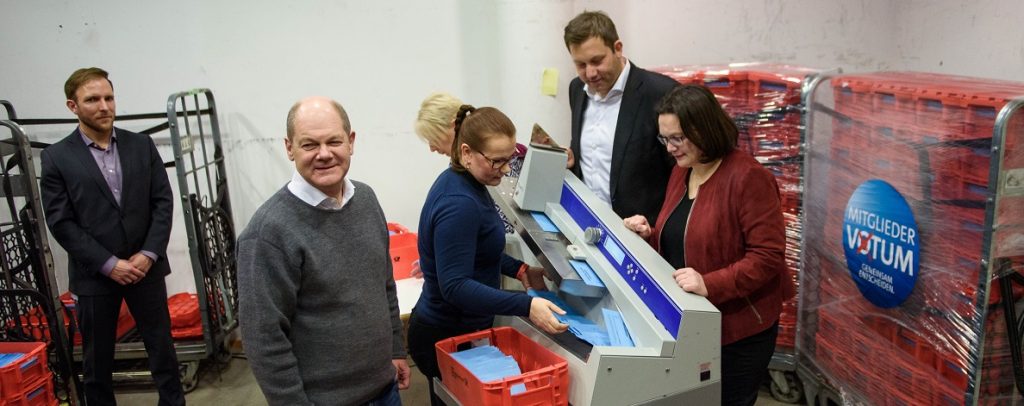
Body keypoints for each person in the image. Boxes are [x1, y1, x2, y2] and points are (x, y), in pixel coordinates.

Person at [623, 85, 793, 406]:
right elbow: (686, 237)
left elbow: (768, 257)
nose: (670, 148)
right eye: (664, 139)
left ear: (704, 129)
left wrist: (709, 283)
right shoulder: (683, 171)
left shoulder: (748, 177)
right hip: (694, 322)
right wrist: (649, 235)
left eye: (677, 138)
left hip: (739, 330)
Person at [237, 96, 409, 405]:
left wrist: (396, 349)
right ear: (289, 148)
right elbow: (264, 337)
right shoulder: (268, 232)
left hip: (386, 389)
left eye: (334, 141)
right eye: (309, 145)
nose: (325, 154)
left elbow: (384, 284)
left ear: (351, 142)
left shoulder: (366, 200)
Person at [40, 67, 185, 406]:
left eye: (109, 97)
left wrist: (148, 253)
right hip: (95, 276)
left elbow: (162, 202)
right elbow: (61, 222)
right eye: (93, 99)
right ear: (73, 106)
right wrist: (108, 264)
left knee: (163, 351)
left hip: (145, 269)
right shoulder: (57, 157)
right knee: (97, 362)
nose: (104, 106)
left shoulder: (141, 145)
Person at [407, 105, 569, 406]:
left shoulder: (467, 182)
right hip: (445, 333)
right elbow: (455, 286)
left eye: (509, 159)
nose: (505, 170)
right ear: (466, 152)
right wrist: (526, 305)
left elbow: (479, 251)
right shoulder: (459, 202)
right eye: (497, 161)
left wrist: (521, 270)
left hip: (460, 327)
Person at [564, 10, 678, 224]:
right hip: (587, 224)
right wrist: (573, 159)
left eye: (597, 61)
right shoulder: (577, 89)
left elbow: (682, 171)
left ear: (617, 48)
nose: (590, 73)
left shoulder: (660, 92)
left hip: (642, 231)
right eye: (581, 65)